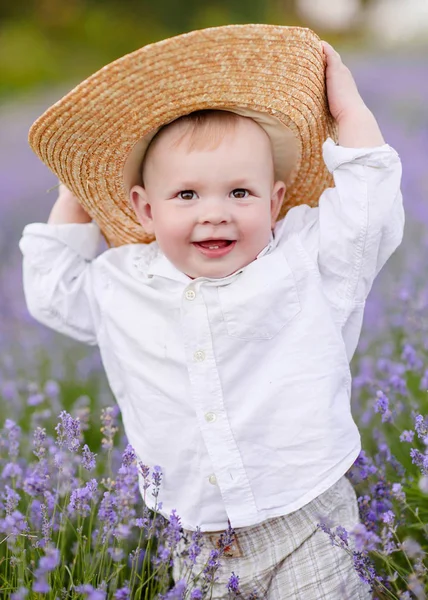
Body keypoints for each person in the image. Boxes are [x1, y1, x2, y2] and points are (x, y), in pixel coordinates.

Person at [19, 25, 404, 599]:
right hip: (195, 538)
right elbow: (51, 288)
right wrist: (77, 190)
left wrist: (347, 109)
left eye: (240, 193)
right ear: (144, 209)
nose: (215, 214)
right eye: (187, 195)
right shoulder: (124, 282)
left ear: (275, 202)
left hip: (307, 520)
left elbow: (368, 214)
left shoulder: (302, 259)